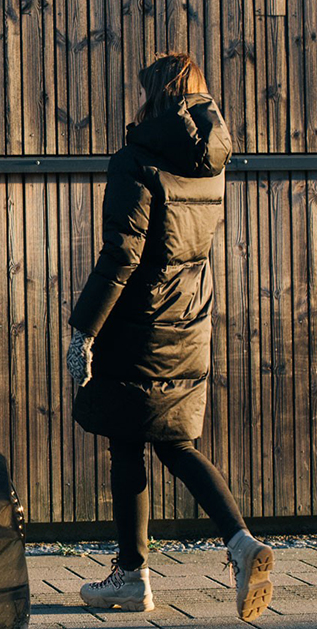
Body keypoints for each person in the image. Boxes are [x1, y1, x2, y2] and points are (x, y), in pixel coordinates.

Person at [66, 53, 274, 620]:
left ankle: (132, 578)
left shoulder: (135, 161)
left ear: (155, 96)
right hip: (190, 320)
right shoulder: (212, 162)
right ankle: (239, 543)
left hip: (138, 326)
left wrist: (83, 330)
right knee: (176, 442)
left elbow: (121, 257)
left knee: (127, 441)